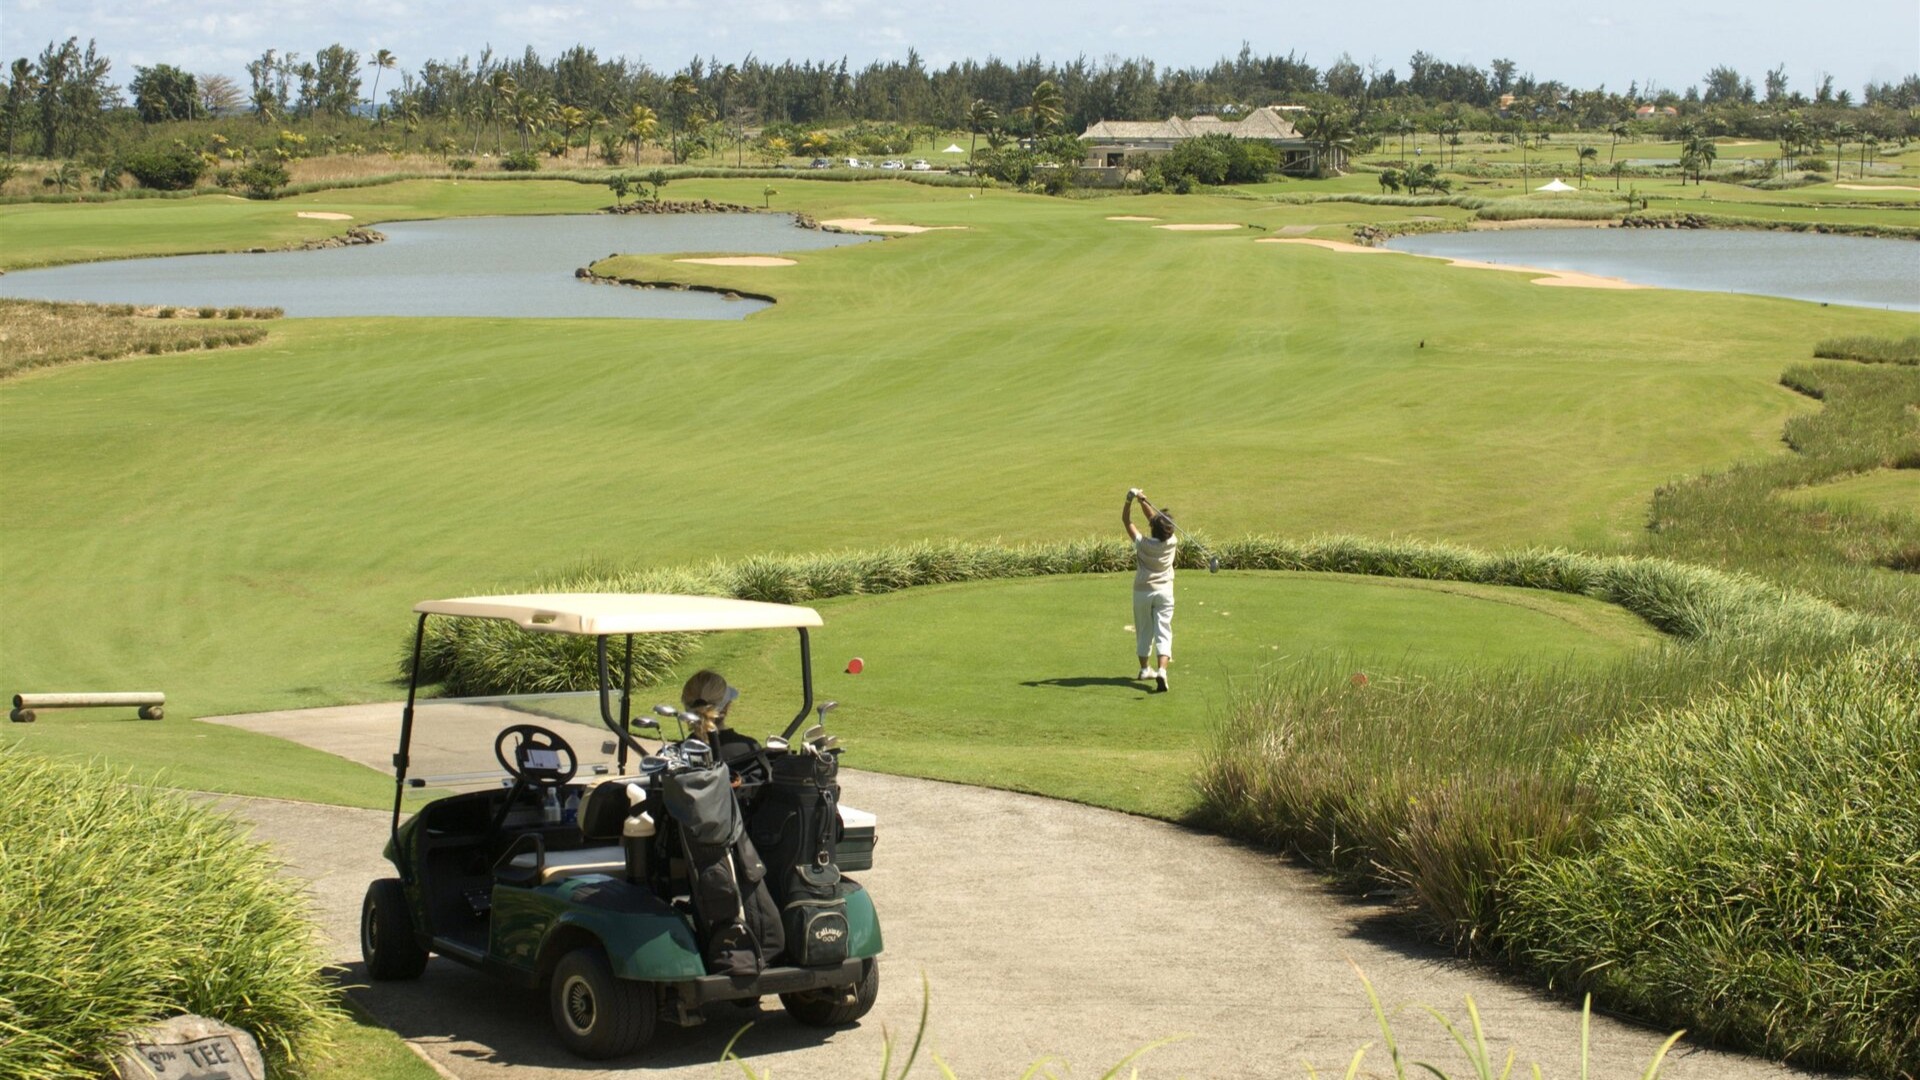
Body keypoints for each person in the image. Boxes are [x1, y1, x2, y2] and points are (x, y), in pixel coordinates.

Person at [1123, 488, 1176, 692]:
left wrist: (1131, 499)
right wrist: (1143, 501)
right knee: (1164, 631)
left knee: (1144, 630)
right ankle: (1162, 670)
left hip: (1142, 591)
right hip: (1164, 592)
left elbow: (1127, 521)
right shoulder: (1172, 542)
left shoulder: (1142, 544)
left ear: (1153, 528)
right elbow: (1156, 521)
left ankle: (1145, 669)